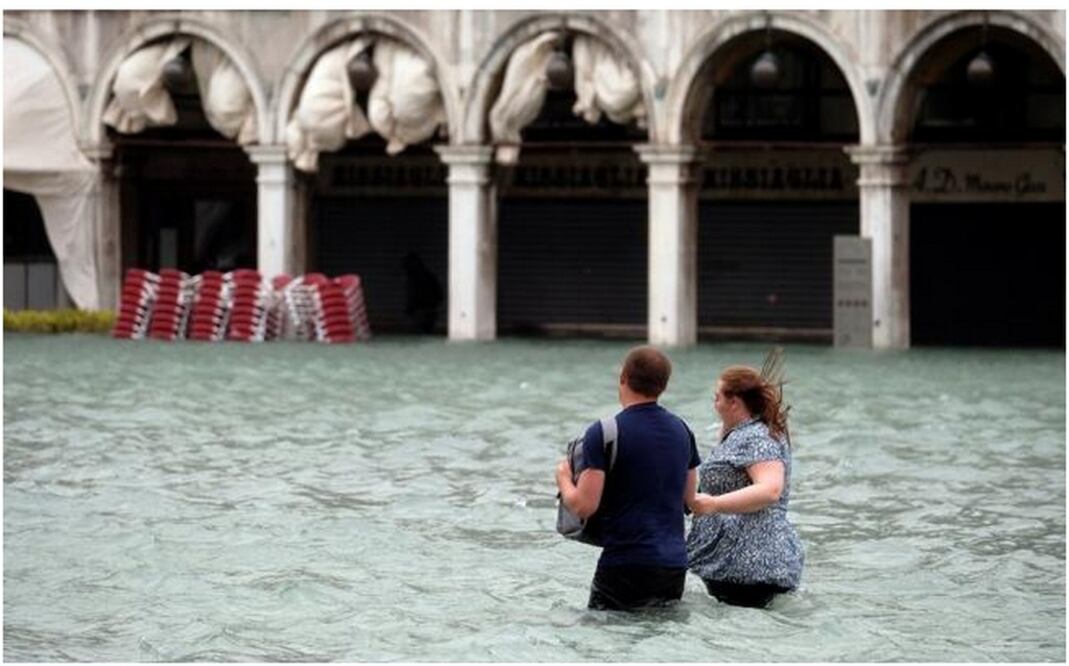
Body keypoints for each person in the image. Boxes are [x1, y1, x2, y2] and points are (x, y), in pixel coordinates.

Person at [555, 346, 701, 611]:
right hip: (673, 564)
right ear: (664, 386)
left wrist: (563, 477)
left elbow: (584, 505)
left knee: (605, 642)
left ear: (623, 378)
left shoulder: (604, 431)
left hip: (625, 562)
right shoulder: (683, 430)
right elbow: (690, 500)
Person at [685, 365, 804, 608]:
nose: (714, 404)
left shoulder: (757, 437)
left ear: (734, 403)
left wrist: (714, 504)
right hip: (734, 564)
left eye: (717, 398)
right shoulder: (741, 434)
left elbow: (770, 490)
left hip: (750, 566)